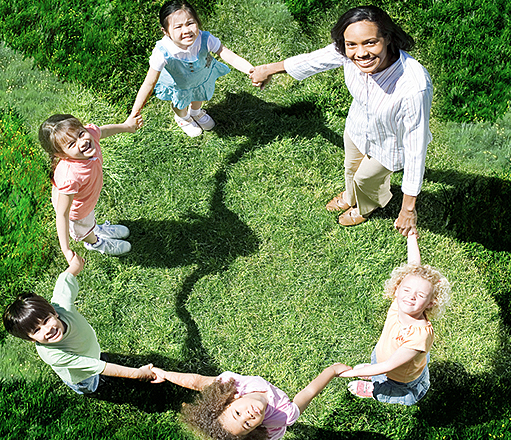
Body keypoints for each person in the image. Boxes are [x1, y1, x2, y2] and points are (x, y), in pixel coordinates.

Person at [249, 5, 431, 230]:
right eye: (352, 44)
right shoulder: (348, 52)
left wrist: (408, 209)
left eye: (370, 42)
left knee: (367, 179)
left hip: (390, 143)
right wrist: (268, 69)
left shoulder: (414, 86)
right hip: (356, 127)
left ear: (388, 38)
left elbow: (416, 148)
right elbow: (313, 61)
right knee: (351, 167)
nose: (361, 53)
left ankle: (366, 206)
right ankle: (350, 195)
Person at [2, 253, 157, 394]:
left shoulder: (63, 306)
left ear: (54, 311)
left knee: (97, 357)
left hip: (89, 350)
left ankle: (96, 358)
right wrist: (137, 373)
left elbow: (64, 282)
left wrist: (75, 266)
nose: (47, 329)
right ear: (31, 339)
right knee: (92, 383)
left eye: (46, 320)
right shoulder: (54, 355)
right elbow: (100, 367)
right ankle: (89, 389)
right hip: (81, 375)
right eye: (36, 330)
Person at [336, 229, 451, 405]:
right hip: (384, 354)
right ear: (397, 288)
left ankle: (375, 390)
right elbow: (413, 266)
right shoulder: (399, 302)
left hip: (399, 376)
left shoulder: (418, 336)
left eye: (420, 295)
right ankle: (373, 372)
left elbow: (388, 366)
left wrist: (349, 372)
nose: (411, 296)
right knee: (379, 365)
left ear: (430, 303)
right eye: (406, 289)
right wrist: (411, 237)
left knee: (389, 387)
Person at [128, 0, 256, 137]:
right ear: (166, 32)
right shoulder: (162, 52)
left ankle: (196, 112)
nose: (187, 30)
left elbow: (230, 56)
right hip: (179, 85)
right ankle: (183, 118)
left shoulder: (205, 39)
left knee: (198, 95)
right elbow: (149, 83)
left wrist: (251, 70)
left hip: (199, 79)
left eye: (190, 23)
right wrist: (135, 111)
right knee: (180, 105)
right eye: (178, 27)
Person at [150, 363, 351, 439]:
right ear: (254, 430)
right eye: (247, 425)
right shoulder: (281, 414)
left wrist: (166, 374)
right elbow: (307, 393)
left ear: (228, 402)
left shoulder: (233, 384)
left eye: (237, 414)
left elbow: (197, 382)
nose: (248, 416)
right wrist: (331, 371)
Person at [39, 113, 139, 257]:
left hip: (85, 199)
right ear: (61, 155)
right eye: (72, 144)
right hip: (76, 212)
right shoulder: (70, 177)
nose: (82, 142)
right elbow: (62, 214)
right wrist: (66, 250)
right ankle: (95, 242)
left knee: (89, 217)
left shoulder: (89, 136)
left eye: (80, 133)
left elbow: (102, 131)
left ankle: (95, 228)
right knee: (84, 227)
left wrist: (126, 126)